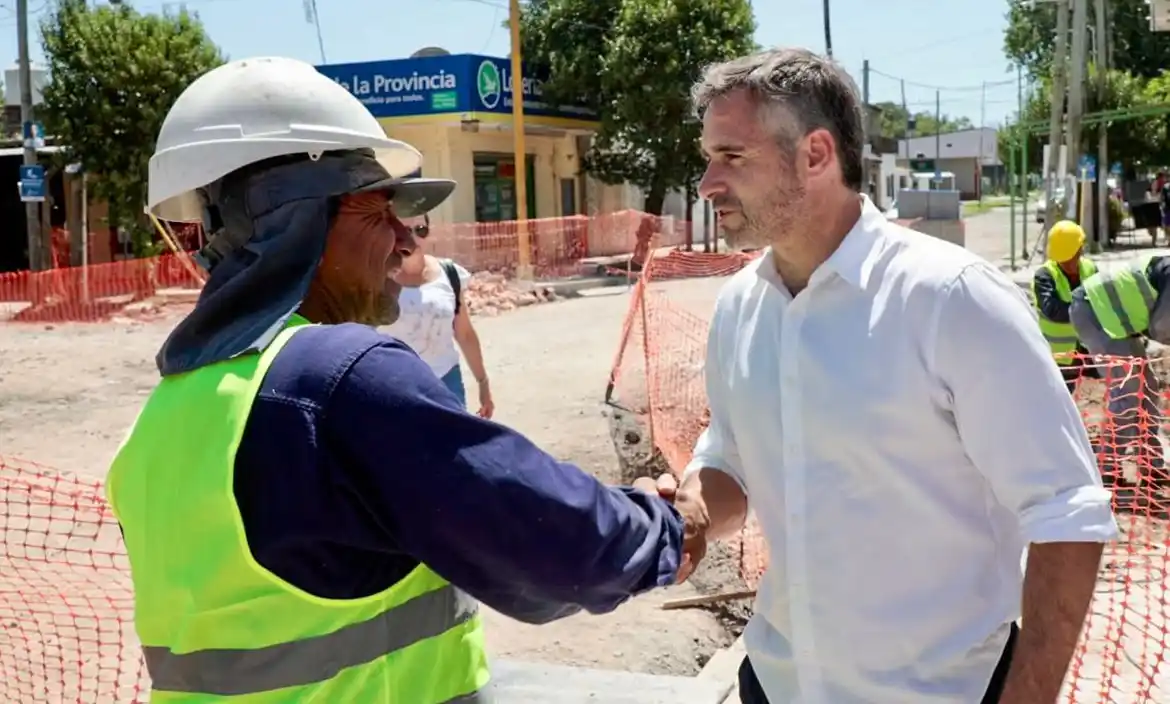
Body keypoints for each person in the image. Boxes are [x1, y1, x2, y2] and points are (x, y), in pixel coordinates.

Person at [103, 57, 702, 703]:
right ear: (294, 222)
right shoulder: (339, 376)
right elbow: (559, 551)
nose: (405, 242)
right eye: (375, 213)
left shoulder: (161, 420)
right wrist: (668, 526)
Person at [650, 47, 1119, 704]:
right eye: (709, 157)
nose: (707, 183)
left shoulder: (952, 299)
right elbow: (729, 456)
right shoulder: (738, 308)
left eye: (732, 156)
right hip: (777, 683)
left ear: (815, 154)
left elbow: (1067, 513)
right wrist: (694, 513)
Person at [1068, 253, 1170, 483]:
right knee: (1127, 394)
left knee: (1147, 388)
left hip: (1117, 321)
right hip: (1096, 314)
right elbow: (1161, 327)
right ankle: (1107, 469)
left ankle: (1150, 463)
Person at [386, 219, 493, 416]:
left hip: (446, 381)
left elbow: (464, 333)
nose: (413, 237)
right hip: (395, 387)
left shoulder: (448, 273)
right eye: (405, 230)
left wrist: (483, 383)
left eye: (421, 230)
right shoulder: (376, 278)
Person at [1031, 220, 1099, 391]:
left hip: (1088, 349)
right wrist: (1086, 310)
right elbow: (1052, 310)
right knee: (1058, 396)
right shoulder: (1044, 276)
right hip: (1059, 357)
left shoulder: (1090, 269)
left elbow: (1103, 300)